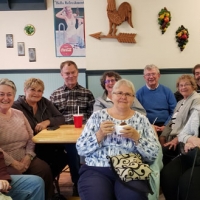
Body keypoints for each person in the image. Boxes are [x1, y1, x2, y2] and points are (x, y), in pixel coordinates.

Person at [76, 79, 160, 200]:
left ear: (133, 98)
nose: (123, 97)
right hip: (97, 167)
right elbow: (80, 149)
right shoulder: (97, 116)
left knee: (133, 197)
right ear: (112, 95)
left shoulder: (141, 120)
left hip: (130, 168)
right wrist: (99, 135)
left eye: (127, 94)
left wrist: (137, 138)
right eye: (119, 93)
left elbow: (153, 155)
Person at [0, 78, 54, 200]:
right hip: (4, 162)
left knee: (44, 169)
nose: (5, 98)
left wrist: (28, 157)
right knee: (20, 177)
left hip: (25, 156)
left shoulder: (18, 113)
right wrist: (14, 163)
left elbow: (31, 138)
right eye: (1, 94)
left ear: (13, 96)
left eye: (9, 94)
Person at [50, 60, 95, 196]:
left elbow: (93, 117)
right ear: (61, 75)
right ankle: (70, 181)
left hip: (83, 133)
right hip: (62, 136)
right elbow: (51, 119)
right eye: (67, 73)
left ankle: (79, 182)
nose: (70, 75)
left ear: (78, 73)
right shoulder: (55, 94)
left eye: (73, 72)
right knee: (70, 148)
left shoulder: (87, 93)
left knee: (75, 148)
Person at [12, 78, 68, 180]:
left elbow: (60, 118)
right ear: (25, 90)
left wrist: (47, 122)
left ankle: (47, 181)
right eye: (32, 89)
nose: (36, 93)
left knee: (65, 155)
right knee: (48, 160)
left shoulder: (45, 102)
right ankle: (44, 182)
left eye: (39, 91)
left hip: (46, 142)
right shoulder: (15, 106)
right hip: (28, 145)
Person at [161, 105, 200, 200]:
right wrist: (190, 139)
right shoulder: (198, 109)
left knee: (189, 182)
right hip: (192, 153)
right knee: (168, 175)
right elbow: (183, 134)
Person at [159, 74, 200, 165]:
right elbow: (172, 121)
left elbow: (190, 125)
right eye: (181, 85)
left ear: (193, 86)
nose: (183, 87)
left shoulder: (197, 99)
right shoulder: (180, 102)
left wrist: (176, 140)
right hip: (172, 136)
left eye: (186, 84)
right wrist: (162, 136)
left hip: (183, 140)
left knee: (161, 152)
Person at [136, 64, 177, 136]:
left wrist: (166, 125)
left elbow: (174, 111)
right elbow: (137, 114)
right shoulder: (139, 94)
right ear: (144, 77)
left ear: (158, 75)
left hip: (167, 126)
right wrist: (149, 126)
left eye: (153, 74)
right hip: (147, 126)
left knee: (166, 143)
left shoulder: (167, 91)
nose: (151, 77)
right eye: (148, 75)